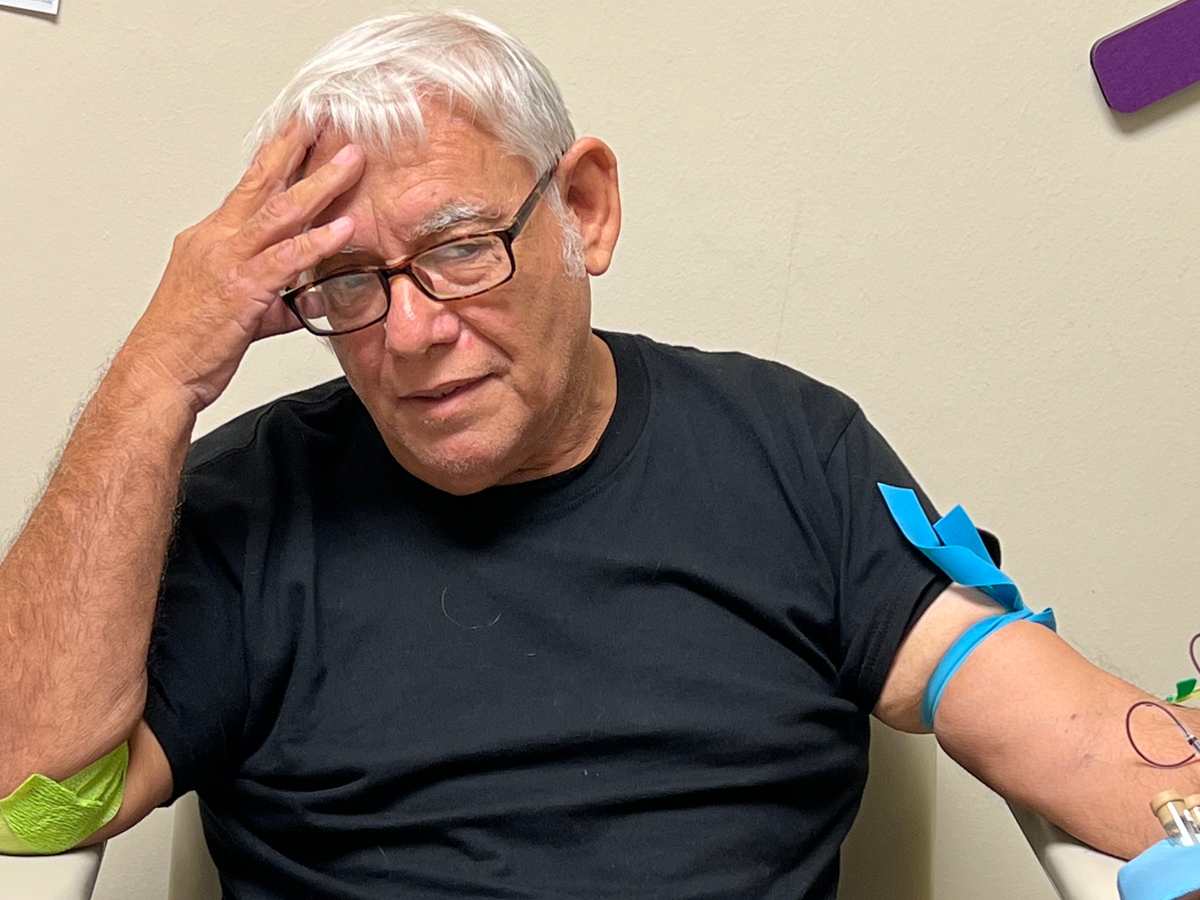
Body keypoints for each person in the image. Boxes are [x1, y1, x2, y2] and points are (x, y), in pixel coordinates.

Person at [0, 11, 1196, 899]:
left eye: (460, 248)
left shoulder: (789, 451)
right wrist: (159, 371)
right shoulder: (245, 506)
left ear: (585, 208)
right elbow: (26, 795)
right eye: (348, 281)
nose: (409, 333)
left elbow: (1063, 729)